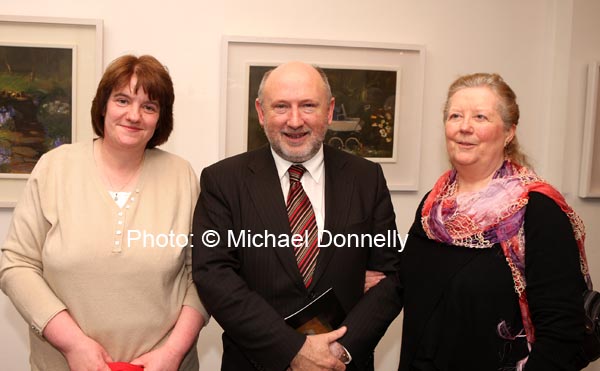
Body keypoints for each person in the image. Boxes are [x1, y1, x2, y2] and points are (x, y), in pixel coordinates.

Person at [0, 55, 208, 371]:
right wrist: (73, 344)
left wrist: (173, 352)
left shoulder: (182, 176)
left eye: (149, 107)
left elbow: (205, 275)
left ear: (160, 119)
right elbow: (17, 264)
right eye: (122, 100)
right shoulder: (55, 168)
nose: (134, 115)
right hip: (64, 364)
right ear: (103, 106)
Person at [192, 61, 402, 371]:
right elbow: (214, 276)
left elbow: (392, 277)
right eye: (281, 107)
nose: (294, 120)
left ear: (329, 111)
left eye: (308, 106)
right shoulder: (223, 181)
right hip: (257, 362)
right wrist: (292, 350)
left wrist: (340, 350)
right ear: (261, 112)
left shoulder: (366, 178)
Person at [398, 73, 590, 370]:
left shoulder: (538, 210)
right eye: (455, 116)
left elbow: (562, 333)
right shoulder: (433, 206)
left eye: (480, 117)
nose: (464, 127)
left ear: (509, 132)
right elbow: (407, 283)